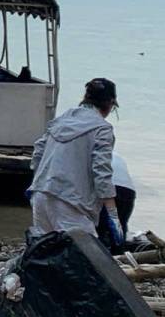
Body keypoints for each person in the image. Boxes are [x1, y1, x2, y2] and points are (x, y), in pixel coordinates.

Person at [29, 76, 122, 247]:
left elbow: (38, 152)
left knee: (46, 254)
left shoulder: (63, 119)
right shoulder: (102, 128)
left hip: (41, 195)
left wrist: (37, 182)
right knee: (85, 257)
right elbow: (101, 172)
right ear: (110, 103)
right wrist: (113, 214)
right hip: (70, 204)